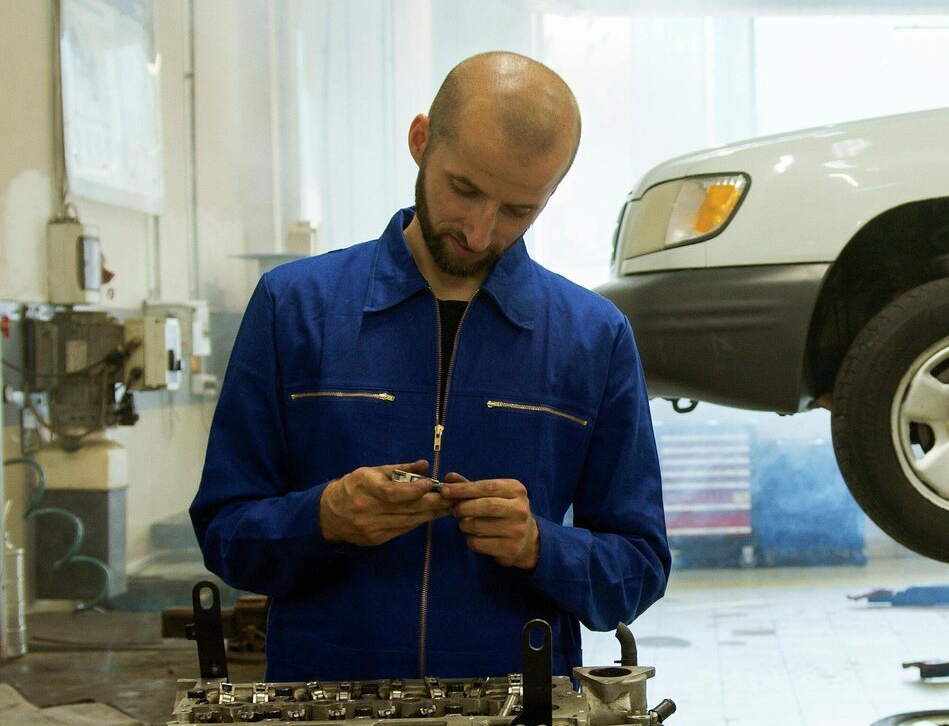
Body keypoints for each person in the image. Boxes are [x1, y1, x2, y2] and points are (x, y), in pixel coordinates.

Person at [190, 52, 669, 682]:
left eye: (519, 210)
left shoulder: (592, 336)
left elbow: (638, 569)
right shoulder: (294, 307)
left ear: (551, 195)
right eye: (464, 189)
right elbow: (226, 533)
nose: (479, 231)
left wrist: (539, 546)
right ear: (420, 141)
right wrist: (323, 518)